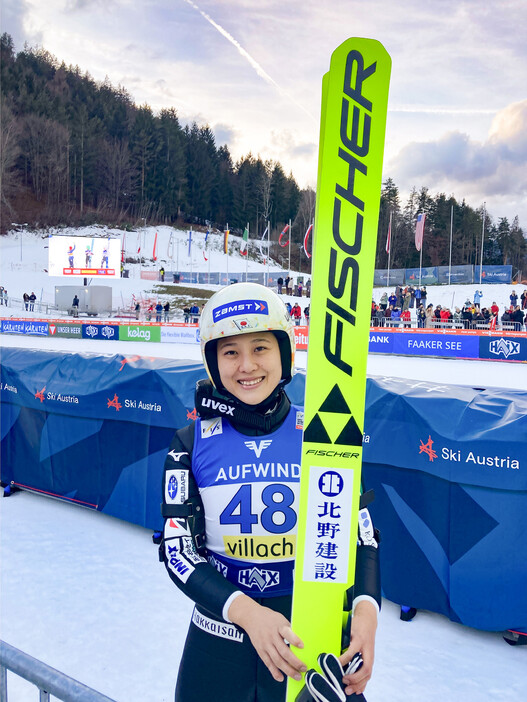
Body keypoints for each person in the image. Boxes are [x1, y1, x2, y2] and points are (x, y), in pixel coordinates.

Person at [160, 283, 380, 702]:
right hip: (218, 642)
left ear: (285, 353)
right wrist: (249, 614)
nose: (247, 366)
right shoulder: (189, 442)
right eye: (230, 352)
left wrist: (366, 612)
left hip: (309, 636)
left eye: (260, 347)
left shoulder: (325, 434)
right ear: (213, 363)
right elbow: (178, 552)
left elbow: (361, 535)